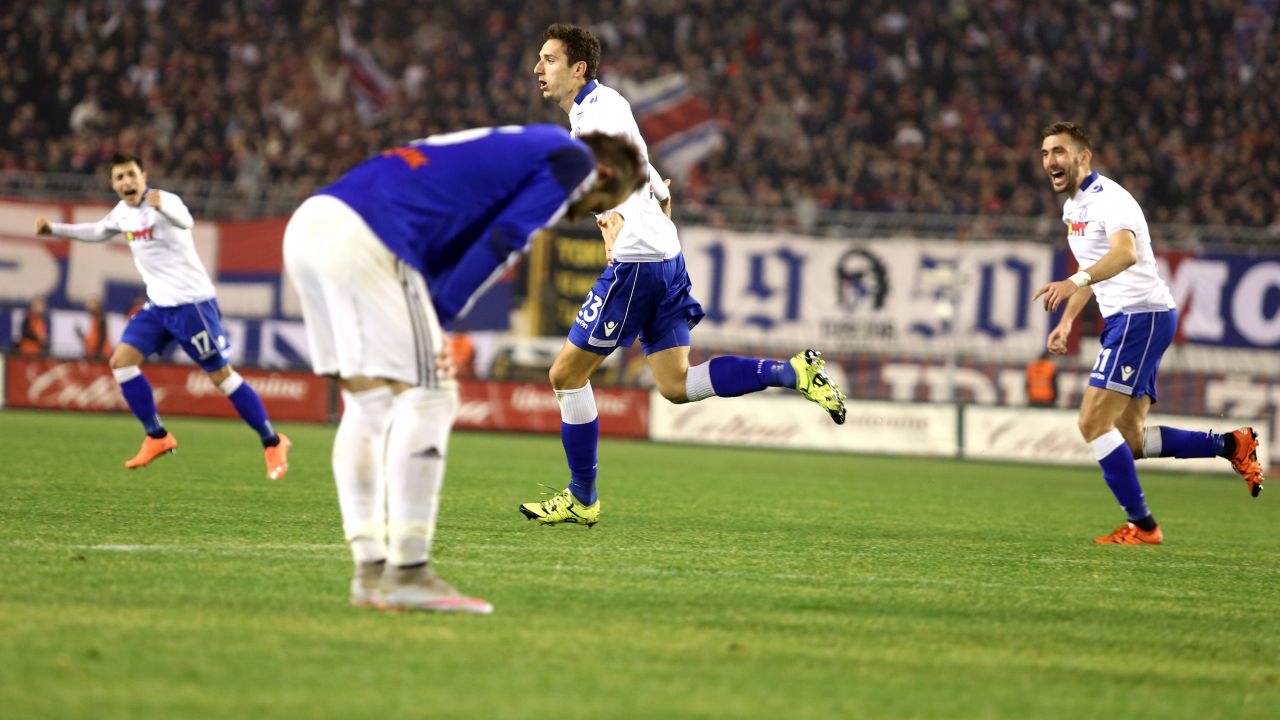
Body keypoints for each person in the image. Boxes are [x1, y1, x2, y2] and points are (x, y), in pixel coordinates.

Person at [283, 124, 647, 613]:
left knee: (368, 403)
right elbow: (507, 236)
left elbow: (451, 227)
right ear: (604, 172)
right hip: (370, 235)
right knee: (433, 395)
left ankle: (370, 571)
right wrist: (440, 312)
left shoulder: (520, 144)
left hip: (313, 223)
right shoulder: (574, 161)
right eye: (604, 202)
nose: (588, 212)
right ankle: (408, 571)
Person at [522, 23, 847, 527]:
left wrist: (615, 219)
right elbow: (650, 179)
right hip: (665, 257)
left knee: (565, 376)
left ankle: (582, 497)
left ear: (577, 68)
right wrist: (650, 207)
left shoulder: (594, 116)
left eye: (549, 59)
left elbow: (613, 176)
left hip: (637, 263)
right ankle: (791, 372)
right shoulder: (608, 105)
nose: (537, 69)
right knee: (676, 384)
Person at [1033, 121, 1264, 545]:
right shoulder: (1073, 208)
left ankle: (1143, 526)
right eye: (1046, 153)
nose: (1051, 160)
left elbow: (1124, 254)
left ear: (1084, 157)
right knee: (1131, 440)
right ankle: (1233, 445)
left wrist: (1072, 283)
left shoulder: (1110, 199)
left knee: (1092, 422)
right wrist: (1067, 321)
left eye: (1060, 151)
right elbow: (1092, 270)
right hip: (1134, 319)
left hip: (1141, 317)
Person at [34, 153, 290, 479]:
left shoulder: (165, 200)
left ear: (144, 176)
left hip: (192, 306)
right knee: (121, 362)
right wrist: (54, 229)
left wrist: (164, 209)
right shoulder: (122, 212)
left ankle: (272, 441)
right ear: (113, 184)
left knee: (222, 378)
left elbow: (186, 221)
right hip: (158, 307)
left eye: (131, 174)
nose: (127, 181)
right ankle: (157, 436)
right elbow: (98, 230)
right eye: (119, 177)